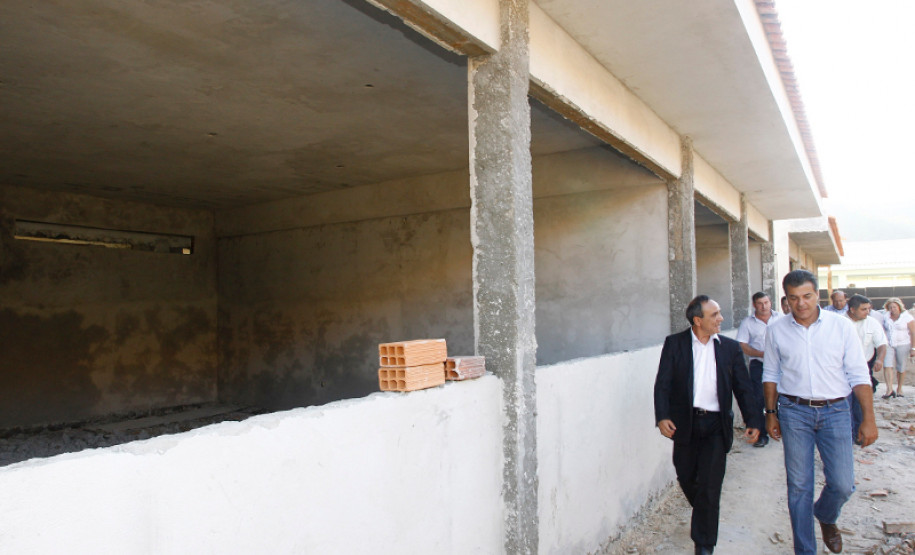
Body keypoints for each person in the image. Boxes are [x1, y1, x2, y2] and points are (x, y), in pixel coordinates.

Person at [763, 270, 877, 555]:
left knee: (842, 484)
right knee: (799, 487)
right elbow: (771, 372)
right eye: (793, 298)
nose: (800, 303)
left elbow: (858, 374)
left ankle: (825, 515)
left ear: (818, 295)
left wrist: (868, 419)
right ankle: (805, 550)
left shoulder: (841, 327)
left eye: (807, 296)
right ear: (786, 298)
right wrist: (770, 412)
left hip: (836, 411)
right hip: (794, 412)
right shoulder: (777, 329)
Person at [654, 295, 761, 555]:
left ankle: (704, 545)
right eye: (715, 315)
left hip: (715, 425)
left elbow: (743, 388)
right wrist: (662, 416)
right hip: (685, 424)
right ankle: (705, 511)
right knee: (686, 476)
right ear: (698, 320)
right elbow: (663, 384)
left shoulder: (730, 348)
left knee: (710, 488)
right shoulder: (675, 344)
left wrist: (754, 419)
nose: (721, 319)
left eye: (720, 313)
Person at [736, 291, 781, 447]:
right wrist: (763, 354)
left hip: (782, 365)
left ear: (770, 303)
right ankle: (761, 434)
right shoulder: (747, 323)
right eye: (760, 304)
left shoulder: (781, 319)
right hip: (759, 365)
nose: (763, 306)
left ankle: (782, 429)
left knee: (784, 396)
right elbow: (743, 345)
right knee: (758, 399)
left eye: (766, 303)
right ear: (754, 305)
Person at [845, 294, 887, 441]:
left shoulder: (872, 323)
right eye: (863, 309)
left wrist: (880, 360)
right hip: (841, 369)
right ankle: (846, 434)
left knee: (860, 400)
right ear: (852, 309)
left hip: (864, 367)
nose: (867, 312)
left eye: (868, 309)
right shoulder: (840, 323)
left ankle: (858, 432)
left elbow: (881, 343)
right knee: (844, 401)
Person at [881, 297, 915, 398]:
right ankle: (889, 389)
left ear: (899, 307)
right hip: (889, 343)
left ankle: (899, 388)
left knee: (901, 366)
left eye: (894, 307)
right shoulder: (885, 316)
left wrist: (913, 348)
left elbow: (913, 333)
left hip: (903, 343)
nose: (893, 309)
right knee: (887, 365)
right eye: (890, 307)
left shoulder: (907, 317)